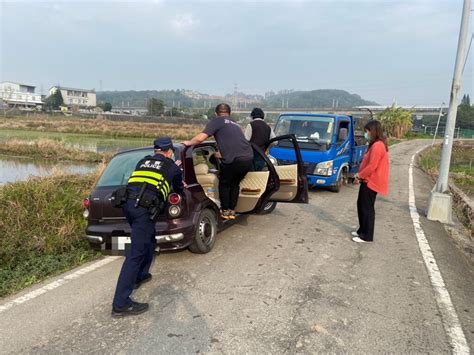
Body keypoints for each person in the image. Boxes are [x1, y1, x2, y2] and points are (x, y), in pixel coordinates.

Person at [112, 137, 184, 317]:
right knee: (135, 254)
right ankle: (120, 303)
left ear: (156, 151)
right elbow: (179, 189)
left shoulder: (143, 161)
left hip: (128, 206)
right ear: (169, 152)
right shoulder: (172, 166)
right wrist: (176, 169)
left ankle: (141, 275)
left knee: (149, 239)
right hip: (143, 210)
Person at [183, 103, 253, 220]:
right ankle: (232, 210)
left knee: (224, 183)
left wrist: (188, 143)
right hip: (248, 157)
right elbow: (235, 144)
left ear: (216, 114)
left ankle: (225, 211)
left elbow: (201, 138)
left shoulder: (218, 121)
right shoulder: (235, 124)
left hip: (235, 160)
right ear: (229, 113)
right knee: (234, 184)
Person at [352, 120, 389, 243]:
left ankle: (366, 235)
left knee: (366, 208)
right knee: (362, 206)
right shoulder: (375, 144)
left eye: (367, 131)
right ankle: (362, 230)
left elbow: (372, 166)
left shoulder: (378, 146)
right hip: (368, 180)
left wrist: (359, 175)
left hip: (372, 181)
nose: (366, 133)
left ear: (373, 131)